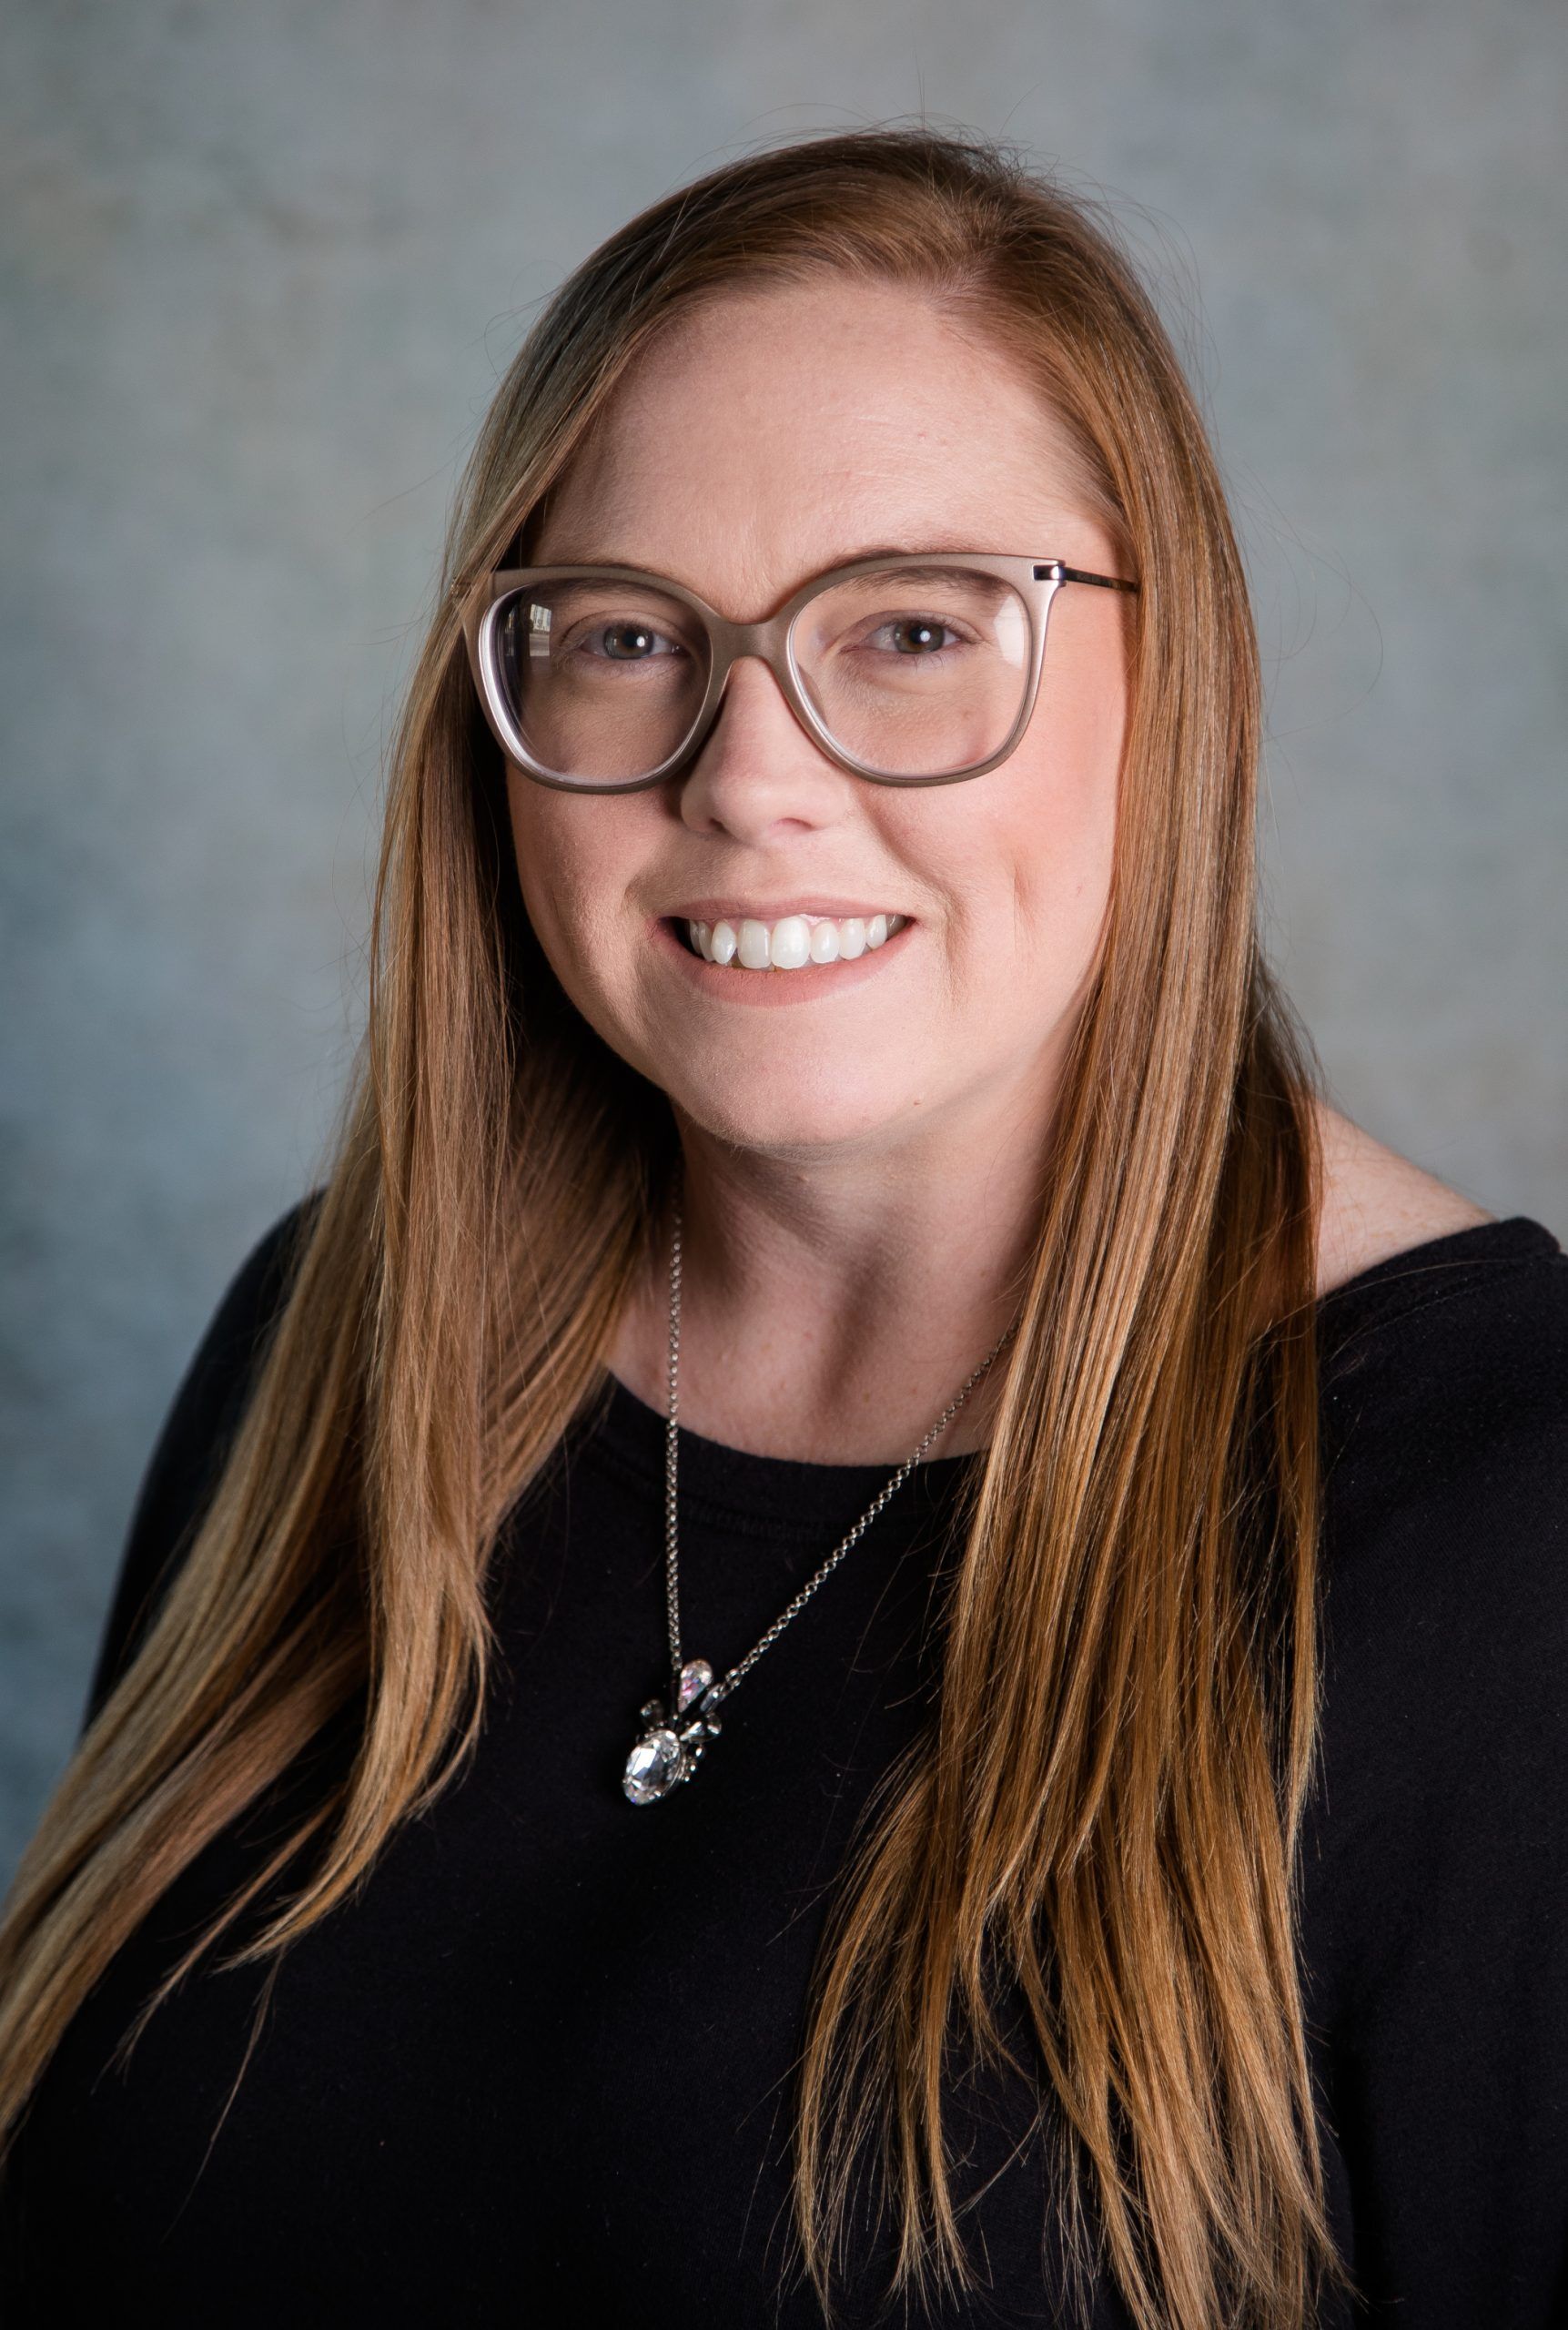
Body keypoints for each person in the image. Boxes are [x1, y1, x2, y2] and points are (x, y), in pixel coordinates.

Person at [0, 126, 1563, 2330]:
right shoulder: (335, 1340)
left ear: (1177, 677)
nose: (746, 770)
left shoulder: (1501, 1525)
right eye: (630, 634)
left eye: (912, 627)